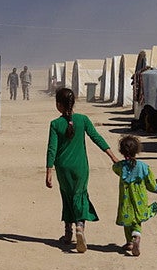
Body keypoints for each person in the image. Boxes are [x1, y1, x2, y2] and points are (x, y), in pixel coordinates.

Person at [45, 87, 117, 252]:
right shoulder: (83, 120)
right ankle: (80, 227)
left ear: (58, 105)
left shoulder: (55, 124)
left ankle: (68, 232)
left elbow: (51, 149)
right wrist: (112, 156)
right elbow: (96, 137)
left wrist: (49, 171)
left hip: (62, 168)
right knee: (80, 195)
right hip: (80, 167)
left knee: (67, 196)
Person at [112, 134, 157, 257]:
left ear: (122, 151)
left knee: (128, 221)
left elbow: (114, 167)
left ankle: (129, 242)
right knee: (137, 221)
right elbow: (152, 185)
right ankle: (136, 236)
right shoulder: (144, 167)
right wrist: (153, 187)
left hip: (125, 201)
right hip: (140, 200)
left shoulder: (120, 167)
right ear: (138, 150)